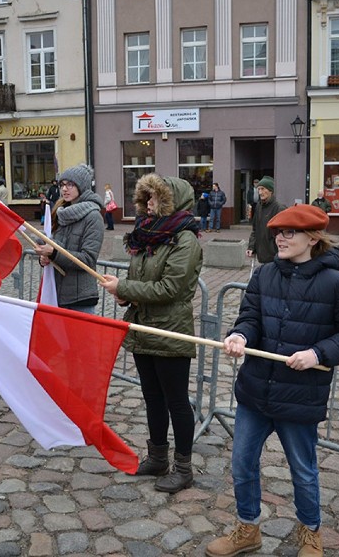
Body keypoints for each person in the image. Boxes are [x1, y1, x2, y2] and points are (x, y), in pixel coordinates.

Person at [205, 204, 339, 557]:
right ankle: (248, 528)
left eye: (289, 232)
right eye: (277, 232)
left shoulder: (335, 283)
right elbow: (249, 317)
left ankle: (311, 532)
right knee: (242, 463)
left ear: (312, 237)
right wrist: (240, 336)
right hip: (255, 390)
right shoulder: (264, 275)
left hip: (299, 396)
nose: (280, 237)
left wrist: (318, 353)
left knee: (303, 470)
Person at [100, 173, 203, 493]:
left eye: (155, 197)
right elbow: (139, 282)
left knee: (176, 401)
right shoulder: (148, 236)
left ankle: (183, 468)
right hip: (144, 328)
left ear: (172, 201)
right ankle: (157, 457)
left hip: (171, 331)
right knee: (152, 398)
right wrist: (125, 294)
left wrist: (127, 287)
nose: (149, 203)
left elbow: (172, 288)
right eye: (146, 198)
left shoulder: (185, 239)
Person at [33, 164, 104, 313]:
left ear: (82, 186)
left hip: (80, 298)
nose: (64, 189)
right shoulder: (61, 212)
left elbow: (88, 259)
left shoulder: (93, 216)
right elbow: (58, 246)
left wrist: (53, 253)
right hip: (58, 293)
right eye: (62, 185)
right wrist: (45, 257)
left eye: (70, 184)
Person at [246, 176, 286, 264]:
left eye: (263, 189)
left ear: (270, 190)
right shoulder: (258, 207)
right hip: (262, 254)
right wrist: (251, 247)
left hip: (275, 256)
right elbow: (255, 229)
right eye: (258, 189)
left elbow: (284, 234)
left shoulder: (279, 208)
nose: (260, 192)